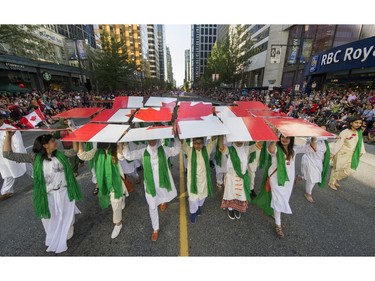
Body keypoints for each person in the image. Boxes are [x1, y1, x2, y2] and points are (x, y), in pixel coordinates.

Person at [3, 132, 82, 253]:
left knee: (67, 213)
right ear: (45, 145)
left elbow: (73, 152)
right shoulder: (34, 158)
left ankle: (68, 227)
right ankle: (56, 233)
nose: (55, 142)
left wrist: (74, 135)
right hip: (47, 195)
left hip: (64, 191)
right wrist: (8, 135)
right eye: (52, 141)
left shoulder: (60, 154)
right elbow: (8, 155)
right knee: (51, 217)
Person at [122, 134, 181, 241]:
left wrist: (176, 136)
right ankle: (155, 229)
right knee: (152, 206)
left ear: (158, 137)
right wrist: (125, 141)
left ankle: (163, 202)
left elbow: (176, 150)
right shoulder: (143, 152)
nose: (151, 140)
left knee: (163, 198)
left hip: (163, 185)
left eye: (153, 138)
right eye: (149, 138)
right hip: (150, 186)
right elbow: (128, 156)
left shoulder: (164, 150)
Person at [254, 135, 310, 238]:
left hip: (288, 180)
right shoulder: (276, 148)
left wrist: (314, 137)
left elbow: (309, 148)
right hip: (276, 178)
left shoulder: (294, 149)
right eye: (282, 137)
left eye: (287, 137)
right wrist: (274, 139)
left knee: (283, 198)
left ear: (291, 139)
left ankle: (274, 211)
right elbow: (270, 150)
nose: (284, 139)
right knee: (279, 199)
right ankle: (278, 225)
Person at [77, 142, 128, 239]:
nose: (98, 142)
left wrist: (121, 144)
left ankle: (118, 223)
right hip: (103, 180)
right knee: (115, 200)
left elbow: (121, 157)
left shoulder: (115, 148)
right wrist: (80, 141)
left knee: (115, 202)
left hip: (116, 181)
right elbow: (84, 156)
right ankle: (123, 197)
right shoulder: (97, 149)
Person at [218, 136, 262, 220]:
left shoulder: (246, 149)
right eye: (237, 138)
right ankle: (230, 208)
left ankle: (236, 208)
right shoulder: (230, 149)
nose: (239, 141)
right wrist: (220, 136)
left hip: (242, 177)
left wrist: (263, 136)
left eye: (241, 138)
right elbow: (221, 147)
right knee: (230, 193)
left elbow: (258, 145)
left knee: (239, 194)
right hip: (231, 177)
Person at [181, 136, 217, 224]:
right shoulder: (189, 150)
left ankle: (199, 207)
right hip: (192, 181)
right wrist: (178, 131)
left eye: (200, 143)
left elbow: (212, 142)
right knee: (193, 199)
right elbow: (183, 142)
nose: (198, 145)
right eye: (196, 143)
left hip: (203, 180)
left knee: (203, 195)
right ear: (193, 143)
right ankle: (193, 213)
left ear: (203, 143)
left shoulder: (206, 150)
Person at [328, 115, 366, 190]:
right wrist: (332, 154)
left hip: (352, 154)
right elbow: (339, 143)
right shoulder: (345, 132)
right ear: (351, 123)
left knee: (350, 170)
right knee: (337, 169)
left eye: (360, 123)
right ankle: (331, 183)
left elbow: (360, 143)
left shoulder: (359, 132)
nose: (358, 124)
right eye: (356, 122)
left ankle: (336, 179)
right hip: (342, 153)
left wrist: (361, 152)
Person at [0, 113, 27, 200]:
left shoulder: (10, 129)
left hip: (14, 154)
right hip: (2, 158)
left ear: (2, 119)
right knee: (7, 173)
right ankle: (6, 191)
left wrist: (19, 155)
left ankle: (44, 179)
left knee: (27, 168)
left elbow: (18, 143)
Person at [299, 128, 331, 203]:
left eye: (324, 130)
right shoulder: (310, 137)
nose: (323, 131)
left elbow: (333, 139)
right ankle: (308, 194)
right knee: (312, 178)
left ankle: (300, 177)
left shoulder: (324, 141)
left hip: (318, 162)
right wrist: (327, 135)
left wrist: (334, 136)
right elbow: (315, 138)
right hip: (309, 159)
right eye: (321, 130)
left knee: (313, 176)